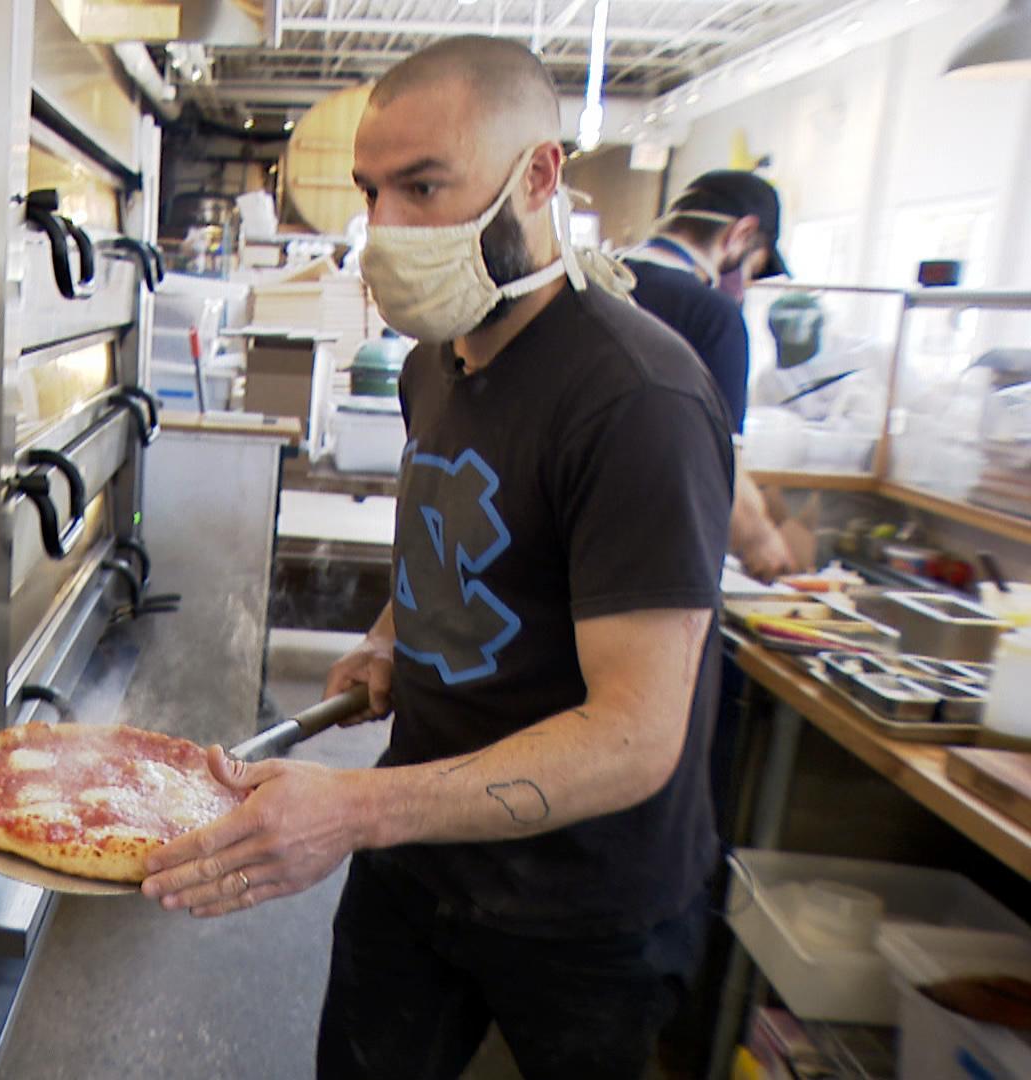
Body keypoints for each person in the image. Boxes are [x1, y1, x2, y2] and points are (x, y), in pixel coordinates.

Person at [140, 36, 732, 1079]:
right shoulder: (433, 363)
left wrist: (353, 808)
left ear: (539, 175)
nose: (387, 229)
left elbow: (638, 737)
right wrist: (392, 636)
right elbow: (461, 533)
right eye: (374, 191)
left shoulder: (638, 399)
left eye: (425, 187)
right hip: (419, 861)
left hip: (581, 908)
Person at [623, 171, 805, 581]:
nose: (747, 284)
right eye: (755, 268)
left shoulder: (594, 282)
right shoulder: (711, 316)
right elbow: (722, 468)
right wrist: (761, 540)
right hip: (645, 569)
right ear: (742, 235)